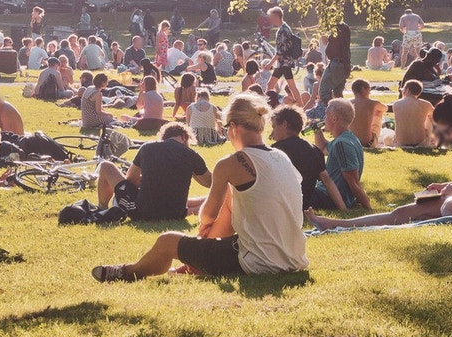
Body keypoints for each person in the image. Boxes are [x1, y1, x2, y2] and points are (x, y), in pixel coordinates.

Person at [92, 95, 308, 282]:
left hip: (260, 262)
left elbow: (208, 215)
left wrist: (202, 231)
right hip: (292, 257)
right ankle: (191, 266)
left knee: (167, 241)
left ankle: (127, 272)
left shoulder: (231, 163)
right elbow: (230, 210)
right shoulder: (280, 157)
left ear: (233, 127)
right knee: (228, 209)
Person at [309, 96, 452, 229]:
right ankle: (337, 224)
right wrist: (446, 186)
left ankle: (435, 211)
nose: (443, 133)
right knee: (402, 212)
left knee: (451, 205)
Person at [95, 123, 211, 220]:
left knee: (106, 166)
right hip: (176, 213)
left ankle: (102, 208)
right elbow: (209, 183)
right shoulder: (190, 154)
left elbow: (131, 179)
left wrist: (149, 180)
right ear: (184, 137)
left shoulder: (147, 147)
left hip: (142, 212)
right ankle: (206, 207)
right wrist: (190, 170)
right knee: (205, 198)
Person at [268, 105, 343, 210]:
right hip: (304, 204)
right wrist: (343, 208)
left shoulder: (274, 152)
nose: (272, 134)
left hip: (280, 206)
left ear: (284, 124)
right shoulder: (314, 150)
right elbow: (327, 181)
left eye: (274, 127)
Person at [308, 98, 372, 211]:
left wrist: (369, 208)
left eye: (326, 116)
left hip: (328, 198)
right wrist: (316, 130)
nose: (324, 119)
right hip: (326, 195)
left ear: (334, 119)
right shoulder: (347, 138)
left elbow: (353, 181)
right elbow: (323, 148)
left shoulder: (342, 144)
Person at [391, 79, 435, 147]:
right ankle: (432, 139)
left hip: (401, 142)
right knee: (429, 116)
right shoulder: (426, 104)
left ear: (407, 90)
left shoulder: (396, 104)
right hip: (421, 142)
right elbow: (435, 118)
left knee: (387, 138)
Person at [321, 21, 352, 104]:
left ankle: (329, 112)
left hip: (336, 63)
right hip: (343, 64)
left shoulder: (337, 28)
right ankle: (341, 112)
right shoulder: (344, 27)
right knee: (338, 93)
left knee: (324, 92)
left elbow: (329, 43)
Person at [348, 79, 385, 147]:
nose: (370, 92)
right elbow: (385, 108)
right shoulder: (372, 103)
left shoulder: (347, 103)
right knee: (379, 111)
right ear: (363, 89)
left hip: (350, 141)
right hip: (368, 143)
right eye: (369, 89)